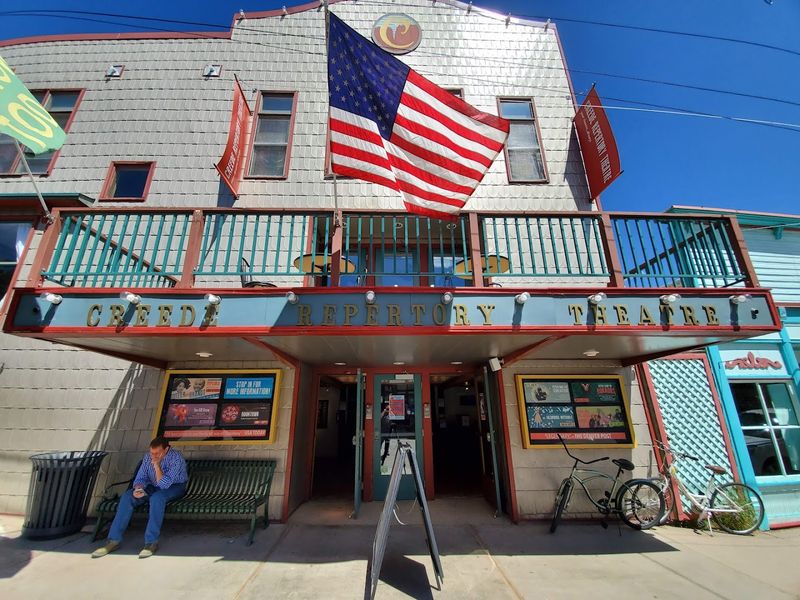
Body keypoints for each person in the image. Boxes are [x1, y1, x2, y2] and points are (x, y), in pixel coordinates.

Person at [91, 436, 188, 559]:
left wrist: (157, 466)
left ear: (166, 449)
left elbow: (164, 484)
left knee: (157, 499)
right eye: (151, 452)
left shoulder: (176, 459)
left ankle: (151, 542)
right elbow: (141, 477)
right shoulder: (148, 457)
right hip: (152, 486)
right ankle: (113, 541)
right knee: (127, 497)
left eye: (157, 453)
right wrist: (138, 488)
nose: (154, 455)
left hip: (174, 487)